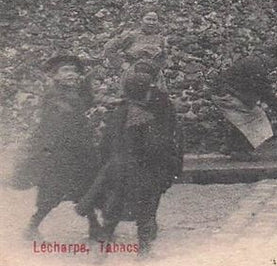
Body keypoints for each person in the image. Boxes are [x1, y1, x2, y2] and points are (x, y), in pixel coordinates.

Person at [80, 69, 181, 254]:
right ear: (147, 92)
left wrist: (108, 165)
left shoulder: (119, 112)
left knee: (113, 213)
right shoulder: (145, 117)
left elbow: (105, 143)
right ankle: (144, 252)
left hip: (117, 170)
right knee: (145, 213)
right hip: (142, 172)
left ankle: (102, 253)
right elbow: (155, 147)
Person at [16, 54, 104, 240]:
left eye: (74, 71)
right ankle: (32, 226)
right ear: (55, 75)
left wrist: (87, 84)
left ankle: (94, 226)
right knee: (53, 193)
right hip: (60, 154)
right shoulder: (53, 95)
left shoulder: (75, 92)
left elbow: (86, 104)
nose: (71, 74)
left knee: (86, 189)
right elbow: (59, 122)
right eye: (66, 70)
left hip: (80, 151)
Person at [211, 45, 277, 161]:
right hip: (225, 94)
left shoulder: (255, 61)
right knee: (255, 116)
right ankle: (239, 150)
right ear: (271, 56)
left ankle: (230, 145)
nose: (274, 67)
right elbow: (263, 90)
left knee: (244, 114)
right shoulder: (257, 65)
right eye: (276, 63)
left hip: (226, 92)